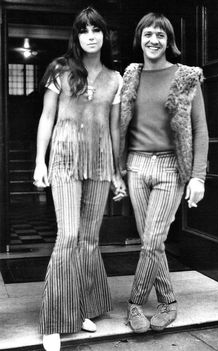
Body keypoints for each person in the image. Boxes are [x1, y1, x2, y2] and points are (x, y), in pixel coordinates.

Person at [33, 7, 126, 351]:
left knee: (89, 239)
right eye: (84, 29)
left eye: (96, 29)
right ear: (76, 35)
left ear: (105, 35)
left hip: (100, 162)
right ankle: (55, 320)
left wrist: (117, 171)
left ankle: (81, 308)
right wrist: (39, 162)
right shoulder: (60, 69)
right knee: (68, 235)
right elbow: (46, 118)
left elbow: (114, 128)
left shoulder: (115, 79)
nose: (90, 35)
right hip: (65, 160)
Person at [120, 12, 209, 333]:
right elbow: (120, 124)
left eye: (160, 34)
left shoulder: (186, 77)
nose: (153, 40)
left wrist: (197, 176)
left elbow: (200, 129)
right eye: (148, 34)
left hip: (171, 166)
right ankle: (168, 301)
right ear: (140, 39)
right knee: (151, 241)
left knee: (152, 239)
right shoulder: (131, 75)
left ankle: (134, 302)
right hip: (136, 166)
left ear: (168, 40)